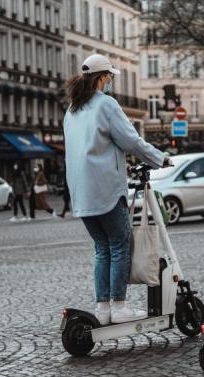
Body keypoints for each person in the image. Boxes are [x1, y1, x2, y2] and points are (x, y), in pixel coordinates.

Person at [63, 53, 171, 325]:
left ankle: (102, 307)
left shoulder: (73, 109)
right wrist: (161, 158)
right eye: (110, 76)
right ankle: (120, 306)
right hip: (106, 188)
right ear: (102, 78)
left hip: (81, 192)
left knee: (102, 248)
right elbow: (131, 141)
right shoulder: (106, 105)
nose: (111, 81)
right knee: (120, 245)